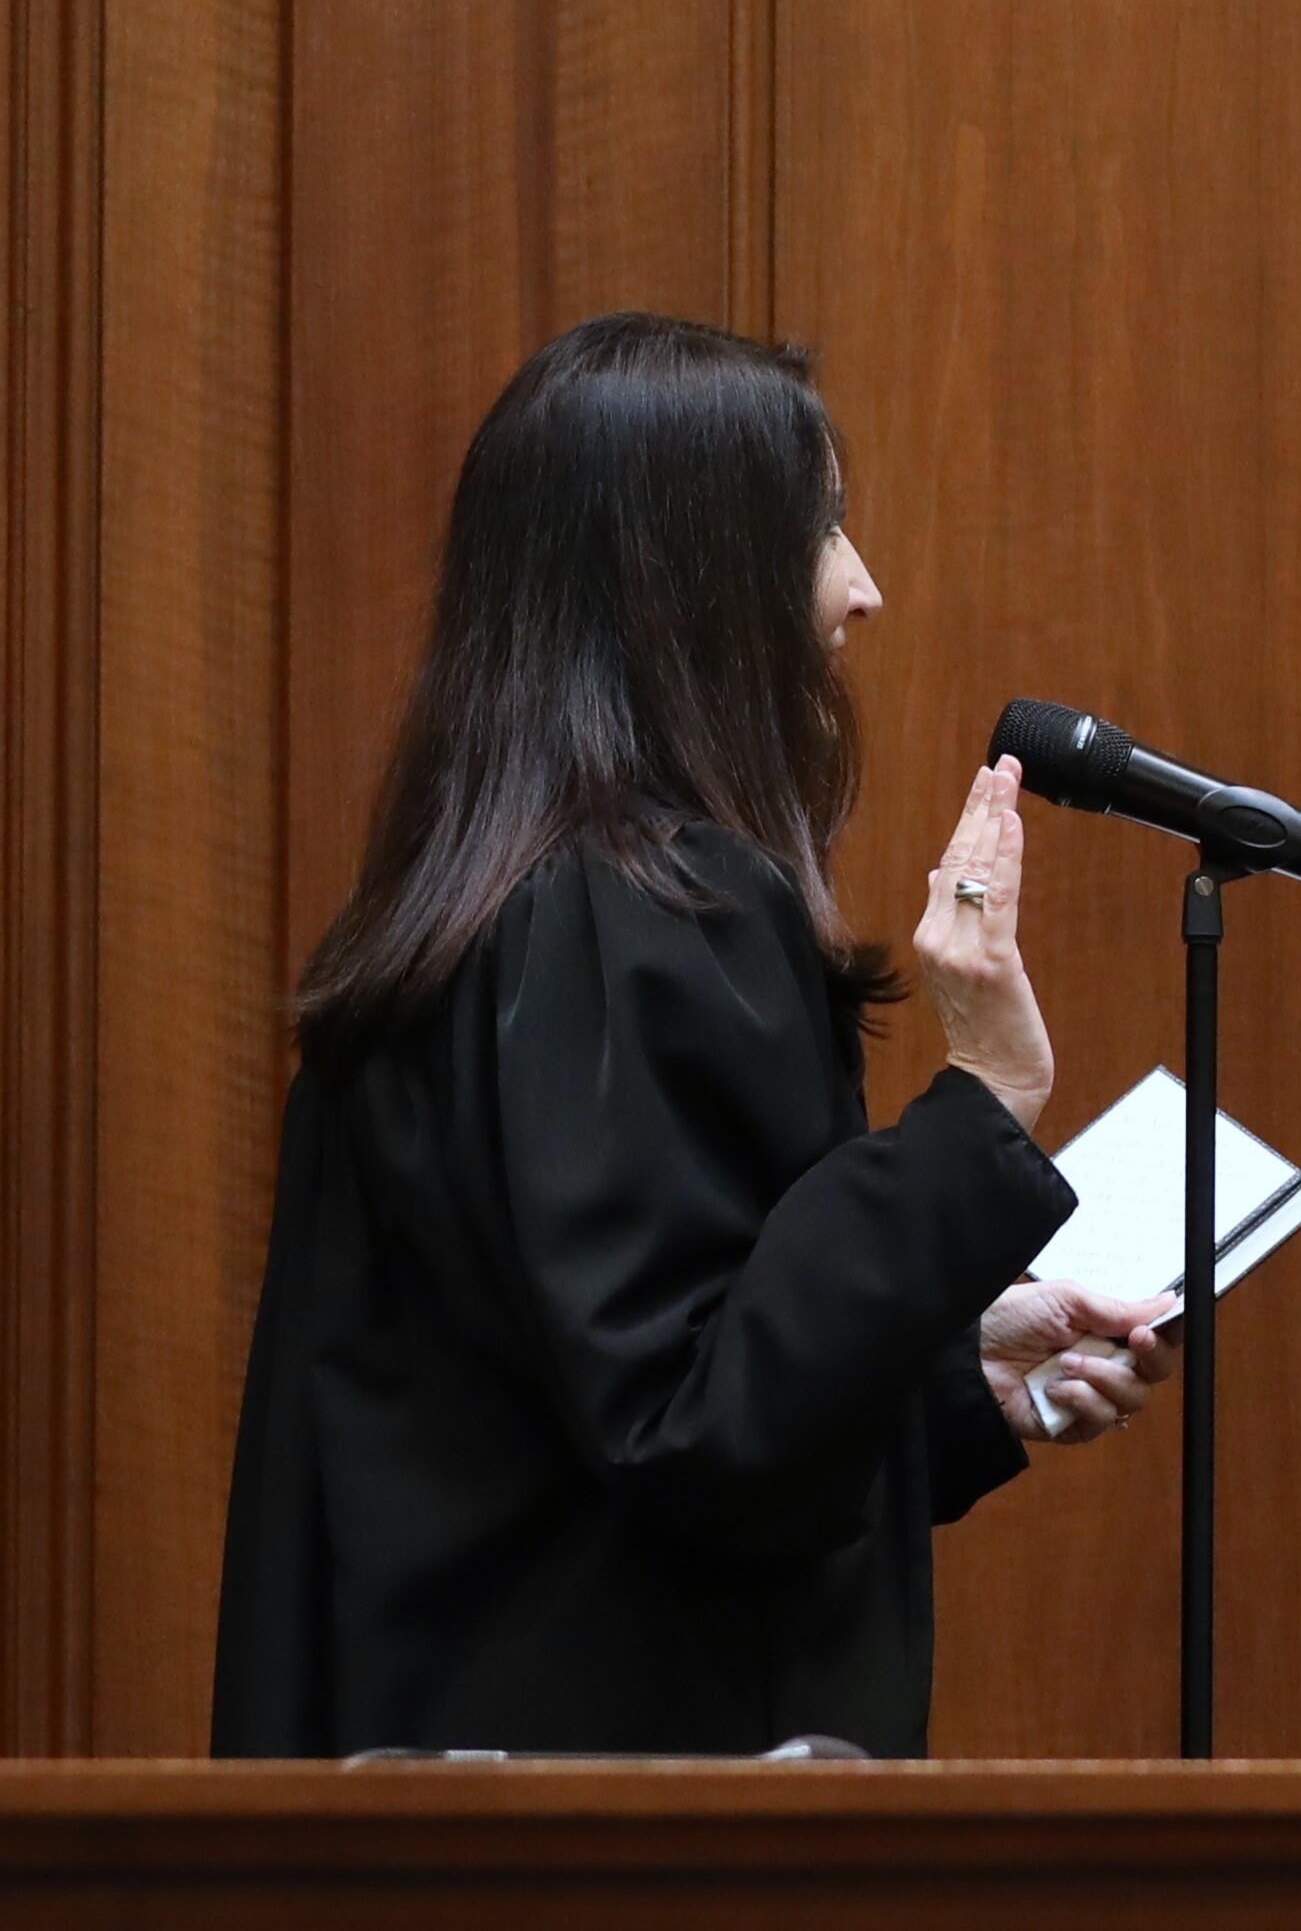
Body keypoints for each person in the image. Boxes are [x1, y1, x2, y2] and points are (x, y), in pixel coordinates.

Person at [214, 312, 1173, 1758]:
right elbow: (695, 1434)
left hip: (443, 1806)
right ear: (694, 579)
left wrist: (954, 1376)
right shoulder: (637, 913)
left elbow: (590, 1413)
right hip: (620, 1846)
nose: (863, 590)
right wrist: (982, 1100)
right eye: (821, 530)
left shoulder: (483, 911)